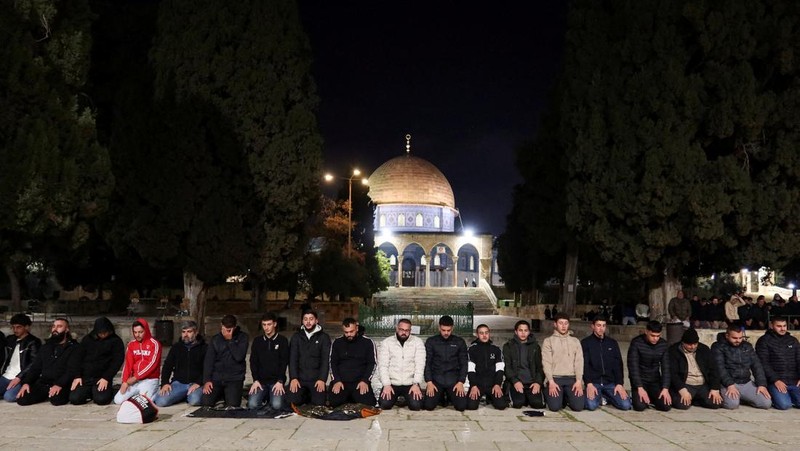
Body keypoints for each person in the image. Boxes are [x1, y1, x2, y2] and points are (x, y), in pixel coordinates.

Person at [17, 318, 79, 406]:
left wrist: (59, 384)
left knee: (56, 400)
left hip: (62, 383)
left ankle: (52, 394)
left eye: (59, 326)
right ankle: (46, 393)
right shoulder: (45, 347)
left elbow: (71, 370)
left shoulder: (74, 348)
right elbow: (35, 367)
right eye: (54, 326)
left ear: (66, 329)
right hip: (44, 383)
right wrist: (27, 382)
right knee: (22, 399)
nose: (55, 329)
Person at [712, 324, 771, 409]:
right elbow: (719, 367)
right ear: (727, 336)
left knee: (766, 403)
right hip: (728, 383)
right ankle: (731, 397)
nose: (738, 340)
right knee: (732, 405)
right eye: (735, 338)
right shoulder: (718, 346)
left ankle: (742, 397)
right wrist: (729, 384)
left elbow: (756, 365)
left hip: (746, 382)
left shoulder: (747, 346)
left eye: (740, 338)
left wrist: (761, 384)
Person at [69, 317, 125, 405]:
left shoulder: (116, 341)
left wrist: (106, 377)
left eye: (105, 332)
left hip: (102, 377)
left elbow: (117, 361)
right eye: (100, 333)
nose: (103, 335)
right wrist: (77, 376)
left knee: (101, 399)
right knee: (75, 399)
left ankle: (103, 391)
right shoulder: (87, 339)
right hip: (85, 377)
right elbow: (77, 358)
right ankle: (90, 392)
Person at [152, 320, 207, 407]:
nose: (186, 335)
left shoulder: (204, 348)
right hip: (179, 383)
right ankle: (181, 395)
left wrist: (199, 383)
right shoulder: (176, 347)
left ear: (195, 333)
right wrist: (165, 383)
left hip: (196, 383)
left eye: (189, 332)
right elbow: (167, 366)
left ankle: (185, 396)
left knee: (195, 400)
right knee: (160, 401)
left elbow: (207, 368)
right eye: (183, 332)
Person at [581, 317, 630, 411]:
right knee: (591, 406)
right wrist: (589, 384)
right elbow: (585, 365)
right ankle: (600, 396)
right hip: (594, 382)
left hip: (610, 383)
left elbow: (618, 364)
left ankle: (605, 397)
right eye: (598, 325)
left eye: (603, 325)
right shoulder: (586, 343)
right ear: (593, 326)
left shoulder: (612, 343)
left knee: (626, 405)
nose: (601, 328)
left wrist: (619, 383)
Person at [377, 318, 426, 411]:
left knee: (416, 406)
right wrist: (386, 384)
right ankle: (397, 398)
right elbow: (383, 365)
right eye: (401, 329)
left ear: (410, 330)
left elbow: (420, 364)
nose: (404, 332)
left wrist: (416, 383)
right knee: (384, 404)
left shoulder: (417, 342)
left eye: (407, 330)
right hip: (392, 383)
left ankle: (407, 398)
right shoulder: (387, 342)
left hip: (410, 383)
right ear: (397, 328)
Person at [668, 328, 722, 409]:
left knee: (716, 403)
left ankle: (696, 399)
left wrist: (715, 388)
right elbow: (673, 373)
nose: (693, 346)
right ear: (683, 342)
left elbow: (714, 369)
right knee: (683, 405)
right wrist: (682, 389)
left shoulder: (704, 349)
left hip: (702, 384)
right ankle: (693, 398)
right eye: (689, 344)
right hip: (686, 384)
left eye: (695, 344)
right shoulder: (674, 350)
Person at [202, 314, 249, 407]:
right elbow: (209, 361)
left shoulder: (242, 338)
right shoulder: (215, 339)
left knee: (233, 404)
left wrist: (230, 340)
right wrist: (207, 380)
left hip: (234, 378)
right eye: (225, 328)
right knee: (206, 402)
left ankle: (230, 395)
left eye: (229, 329)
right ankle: (221, 396)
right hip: (217, 378)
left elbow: (239, 357)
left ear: (234, 328)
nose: (226, 332)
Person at [423, 315, 468, 411]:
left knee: (461, 406)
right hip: (436, 380)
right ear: (439, 327)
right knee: (429, 406)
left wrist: (461, 382)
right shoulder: (431, 342)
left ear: (452, 328)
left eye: (449, 330)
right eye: (443, 330)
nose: (446, 333)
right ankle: (440, 397)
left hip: (453, 380)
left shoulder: (459, 342)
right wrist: (429, 382)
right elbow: (427, 363)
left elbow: (464, 364)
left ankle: (449, 396)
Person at [328, 318, 376, 407]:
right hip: (342, 382)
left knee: (368, 404)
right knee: (334, 403)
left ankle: (353, 396)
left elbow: (372, 363)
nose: (349, 334)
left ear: (357, 328)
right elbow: (332, 363)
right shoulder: (337, 342)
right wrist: (336, 380)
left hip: (360, 382)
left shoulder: (368, 342)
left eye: (351, 331)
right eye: (346, 332)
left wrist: (365, 380)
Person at [287, 310, 331, 407]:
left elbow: (325, 360)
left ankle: (311, 395)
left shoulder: (324, 338)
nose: (308, 322)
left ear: (316, 321)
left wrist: (322, 379)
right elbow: (292, 359)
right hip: (300, 379)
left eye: (311, 319)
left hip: (316, 379)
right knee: (292, 402)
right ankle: (305, 395)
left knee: (319, 404)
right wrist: (293, 378)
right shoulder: (296, 337)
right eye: (305, 319)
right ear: (302, 321)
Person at [541, 313, 585, 412]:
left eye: (566, 323)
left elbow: (579, 362)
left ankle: (566, 396)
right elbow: (546, 362)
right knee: (554, 407)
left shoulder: (575, 341)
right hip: (556, 379)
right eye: (561, 323)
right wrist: (551, 381)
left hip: (571, 379)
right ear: (555, 324)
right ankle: (549, 391)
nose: (564, 326)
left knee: (578, 407)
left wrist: (579, 381)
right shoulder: (548, 341)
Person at [755, 316, 800, 410]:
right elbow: (763, 363)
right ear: (772, 326)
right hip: (775, 381)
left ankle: (792, 397)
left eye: (784, 326)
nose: (782, 328)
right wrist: (776, 380)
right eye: (779, 326)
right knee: (784, 405)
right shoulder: (764, 341)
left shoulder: (793, 340)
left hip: (794, 381)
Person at [114, 318, 162, 404]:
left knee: (144, 402)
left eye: (140, 332)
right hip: (133, 381)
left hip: (149, 379)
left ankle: (156, 391)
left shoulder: (154, 344)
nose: (137, 335)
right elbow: (128, 364)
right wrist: (124, 381)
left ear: (146, 331)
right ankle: (137, 395)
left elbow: (152, 365)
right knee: (118, 400)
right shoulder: (131, 345)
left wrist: (136, 377)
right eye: (135, 332)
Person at [248, 312, 289, 410]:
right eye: (264, 325)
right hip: (260, 382)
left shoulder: (282, 340)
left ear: (274, 324)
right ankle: (265, 399)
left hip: (276, 382)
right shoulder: (257, 341)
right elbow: (253, 362)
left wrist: (280, 381)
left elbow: (284, 362)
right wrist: (255, 380)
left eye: (269, 324)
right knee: (252, 405)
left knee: (277, 405)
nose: (266, 327)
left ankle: (270, 399)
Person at [627, 321, 671, 411]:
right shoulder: (636, 343)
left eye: (658, 336)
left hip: (655, 381)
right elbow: (633, 367)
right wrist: (639, 387)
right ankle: (637, 395)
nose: (655, 339)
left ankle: (651, 397)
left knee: (666, 406)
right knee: (639, 406)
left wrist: (665, 388)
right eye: (652, 336)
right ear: (646, 332)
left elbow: (666, 367)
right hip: (640, 381)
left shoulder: (663, 344)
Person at [503, 320, 545, 409]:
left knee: (537, 404)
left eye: (525, 330)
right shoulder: (508, 346)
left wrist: (538, 382)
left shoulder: (535, 347)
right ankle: (522, 396)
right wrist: (515, 381)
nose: (523, 333)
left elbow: (539, 367)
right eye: (520, 330)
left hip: (531, 382)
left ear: (529, 332)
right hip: (517, 381)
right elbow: (507, 367)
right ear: (516, 331)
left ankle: (528, 396)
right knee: (518, 403)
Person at [0, 313, 41, 401]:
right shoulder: (10, 339)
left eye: (18, 327)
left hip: (21, 377)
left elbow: (33, 363)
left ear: (26, 327)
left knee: (9, 397)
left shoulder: (34, 342)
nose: (15, 330)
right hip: (6, 375)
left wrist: (19, 377)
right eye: (13, 327)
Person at [465, 324, 507, 410]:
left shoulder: (496, 349)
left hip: (492, 385)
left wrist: (497, 384)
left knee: (501, 406)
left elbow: (500, 369)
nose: (484, 335)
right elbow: (470, 370)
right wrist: (473, 385)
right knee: (471, 406)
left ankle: (490, 398)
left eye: (486, 333)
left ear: (489, 333)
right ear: (477, 335)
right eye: (481, 333)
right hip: (477, 385)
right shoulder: (472, 349)